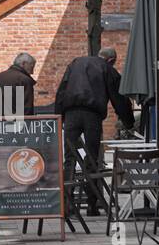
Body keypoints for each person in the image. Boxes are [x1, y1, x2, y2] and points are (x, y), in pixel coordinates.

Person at [56, 47, 135, 216]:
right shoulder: (107, 69)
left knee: (69, 158)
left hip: (71, 113)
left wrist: (59, 116)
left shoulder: (75, 63)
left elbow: (62, 90)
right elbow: (119, 98)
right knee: (92, 159)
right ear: (111, 60)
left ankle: (66, 205)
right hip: (92, 115)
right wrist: (128, 122)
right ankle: (92, 204)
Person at [0, 53, 36, 119]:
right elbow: (27, 109)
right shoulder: (24, 80)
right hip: (17, 124)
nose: (32, 72)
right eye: (32, 66)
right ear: (24, 64)